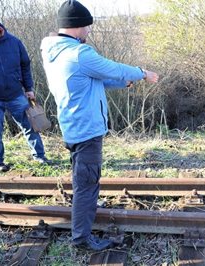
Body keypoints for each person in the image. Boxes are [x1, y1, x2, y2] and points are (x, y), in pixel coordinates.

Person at [40, 0, 159, 251]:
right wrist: (141, 72)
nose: (90, 30)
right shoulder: (80, 53)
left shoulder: (55, 52)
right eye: (88, 26)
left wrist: (121, 83)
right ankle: (81, 239)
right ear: (77, 27)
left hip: (72, 125)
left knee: (83, 179)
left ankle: (86, 212)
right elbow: (112, 68)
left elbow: (92, 82)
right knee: (87, 184)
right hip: (86, 129)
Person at [0, 12, 50, 172]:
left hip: (15, 93)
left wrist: (29, 88)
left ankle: (39, 156)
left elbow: (25, 65)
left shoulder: (14, 42)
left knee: (30, 126)